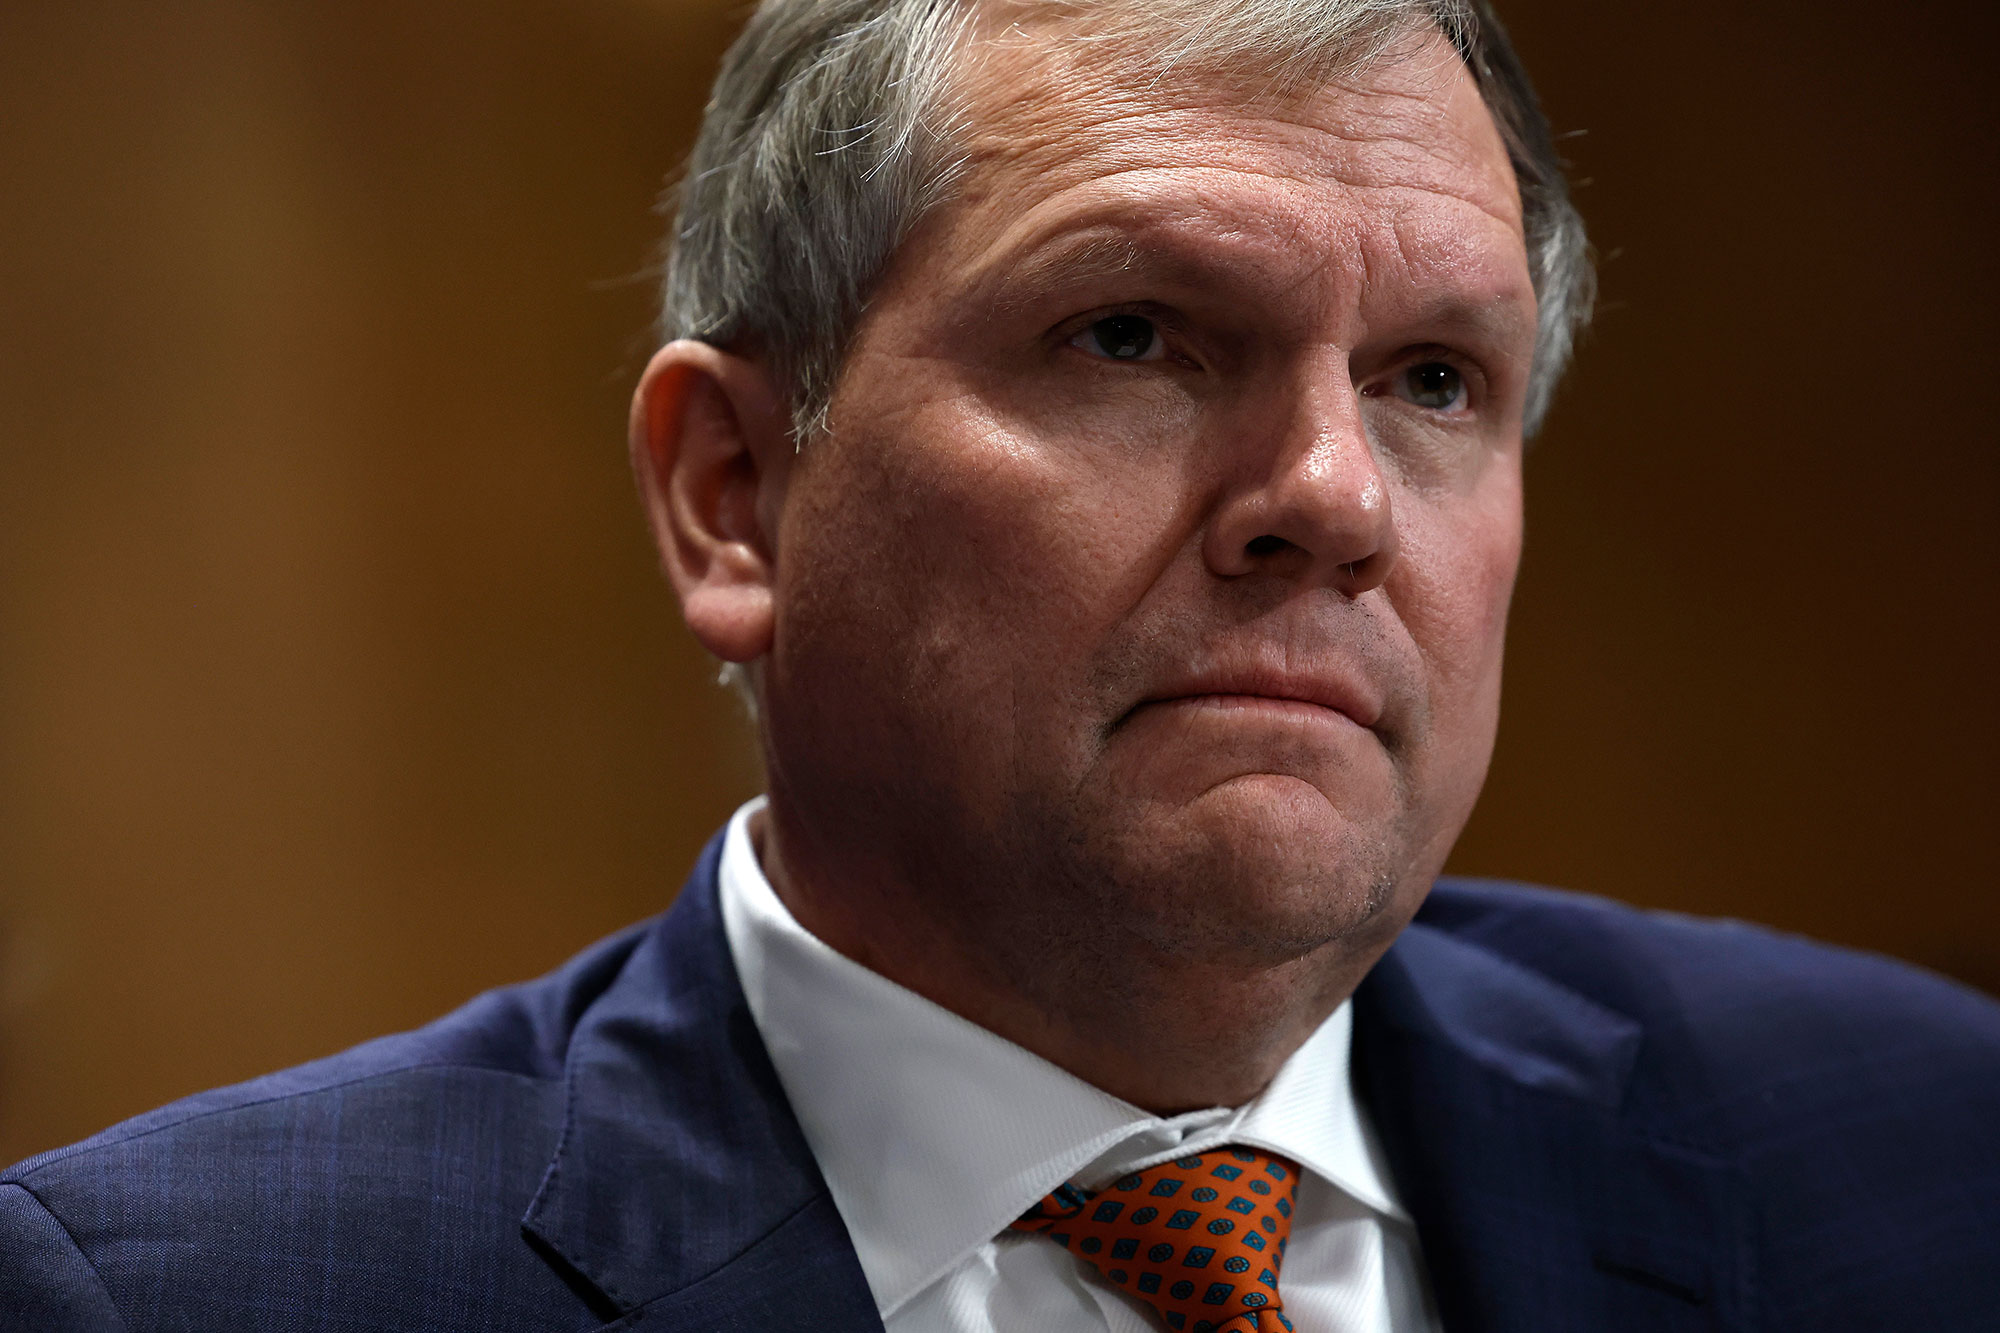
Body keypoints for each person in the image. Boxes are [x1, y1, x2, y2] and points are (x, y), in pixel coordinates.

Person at [4, 0, 1996, 1328]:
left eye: (1431, 380)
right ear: (733, 492)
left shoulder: (1912, 1148)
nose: (1329, 493)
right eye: (1130, 334)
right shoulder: (190, 1294)